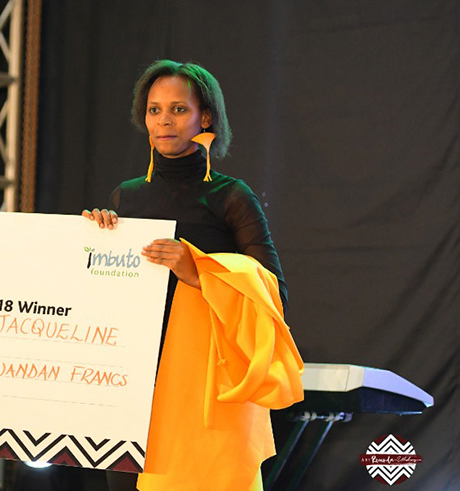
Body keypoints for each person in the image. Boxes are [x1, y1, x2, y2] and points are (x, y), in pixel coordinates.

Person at [83, 60, 304, 491]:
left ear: (205, 118)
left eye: (178, 109)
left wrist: (200, 271)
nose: (164, 120)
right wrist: (93, 243)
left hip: (204, 391)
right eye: (154, 110)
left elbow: (274, 295)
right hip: (131, 385)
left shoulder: (231, 197)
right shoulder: (126, 197)